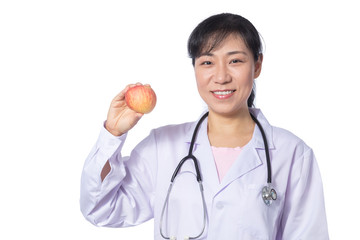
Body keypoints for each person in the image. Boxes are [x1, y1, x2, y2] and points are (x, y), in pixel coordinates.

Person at [80, 13, 329, 239]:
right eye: (207, 63)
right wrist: (112, 134)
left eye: (235, 61)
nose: (221, 77)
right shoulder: (163, 147)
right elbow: (100, 209)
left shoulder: (293, 153)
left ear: (258, 65)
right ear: (195, 68)